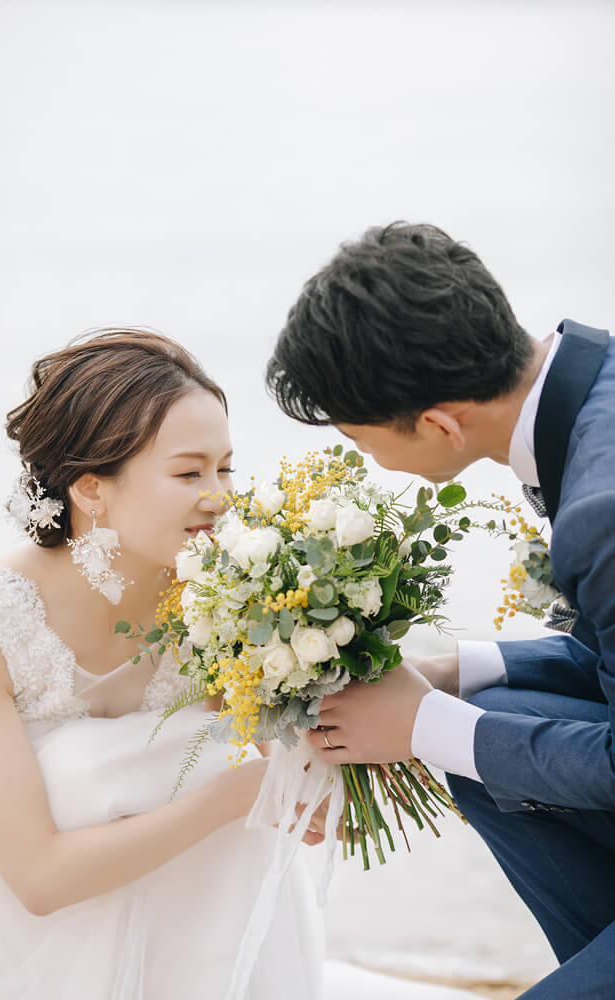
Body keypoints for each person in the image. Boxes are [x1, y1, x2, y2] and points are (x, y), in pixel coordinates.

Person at [0, 328, 475, 1000]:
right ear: (90, 490)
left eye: (225, 468)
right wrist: (247, 791)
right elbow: (38, 881)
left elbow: (271, 748)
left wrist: (312, 770)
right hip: (37, 950)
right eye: (188, 472)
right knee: (88, 768)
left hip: (198, 935)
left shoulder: (232, 589)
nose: (220, 496)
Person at [266, 222, 615, 1000]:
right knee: (486, 714)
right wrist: (450, 672)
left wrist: (421, 726)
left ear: (438, 424)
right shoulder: (597, 394)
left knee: (460, 733)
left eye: (360, 442)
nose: (366, 461)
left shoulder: (602, 506)